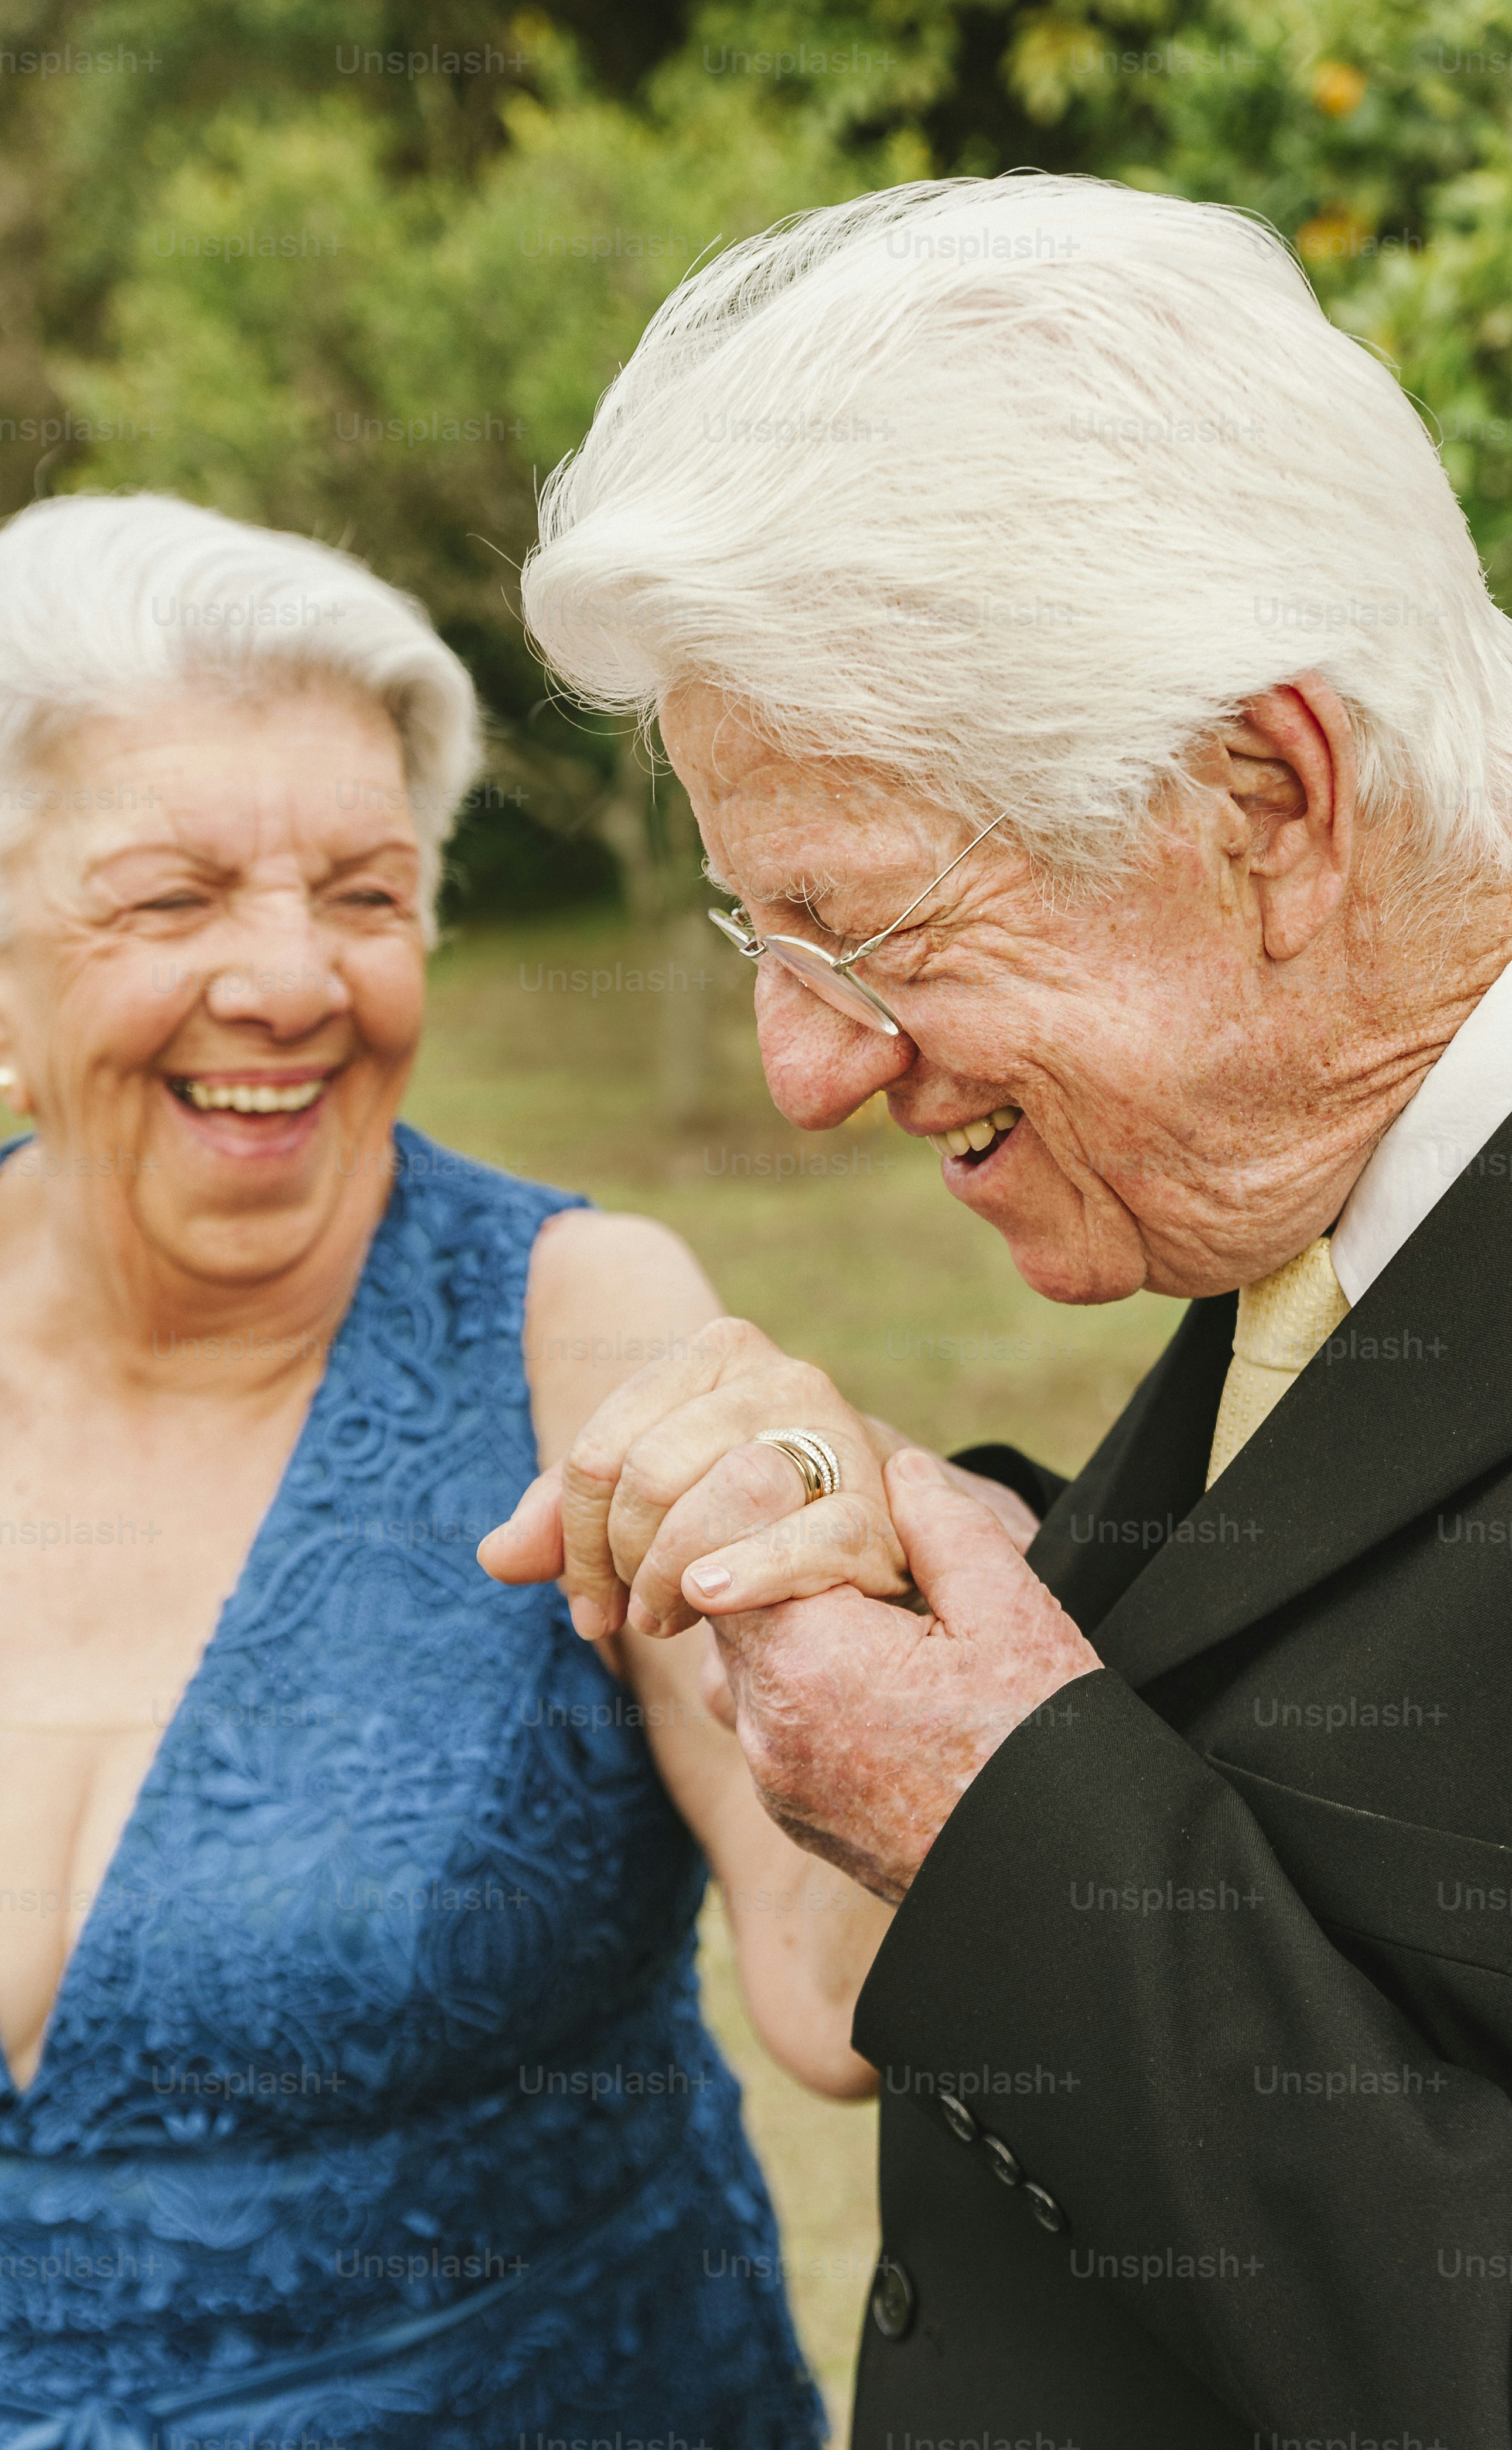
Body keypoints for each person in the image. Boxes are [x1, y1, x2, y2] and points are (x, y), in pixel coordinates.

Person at [500, 173, 1512, 2445]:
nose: (802, 1065)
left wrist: (994, 1808)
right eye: (763, 944)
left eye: (862, 931)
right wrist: (971, 1554)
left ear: (1268, 797)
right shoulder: (1323, 1186)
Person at [0, 490, 890, 2449]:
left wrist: (882, 1576)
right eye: (172, 901)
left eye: (360, 893)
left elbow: (845, 1995)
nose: (291, 981)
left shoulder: (579, 1323)